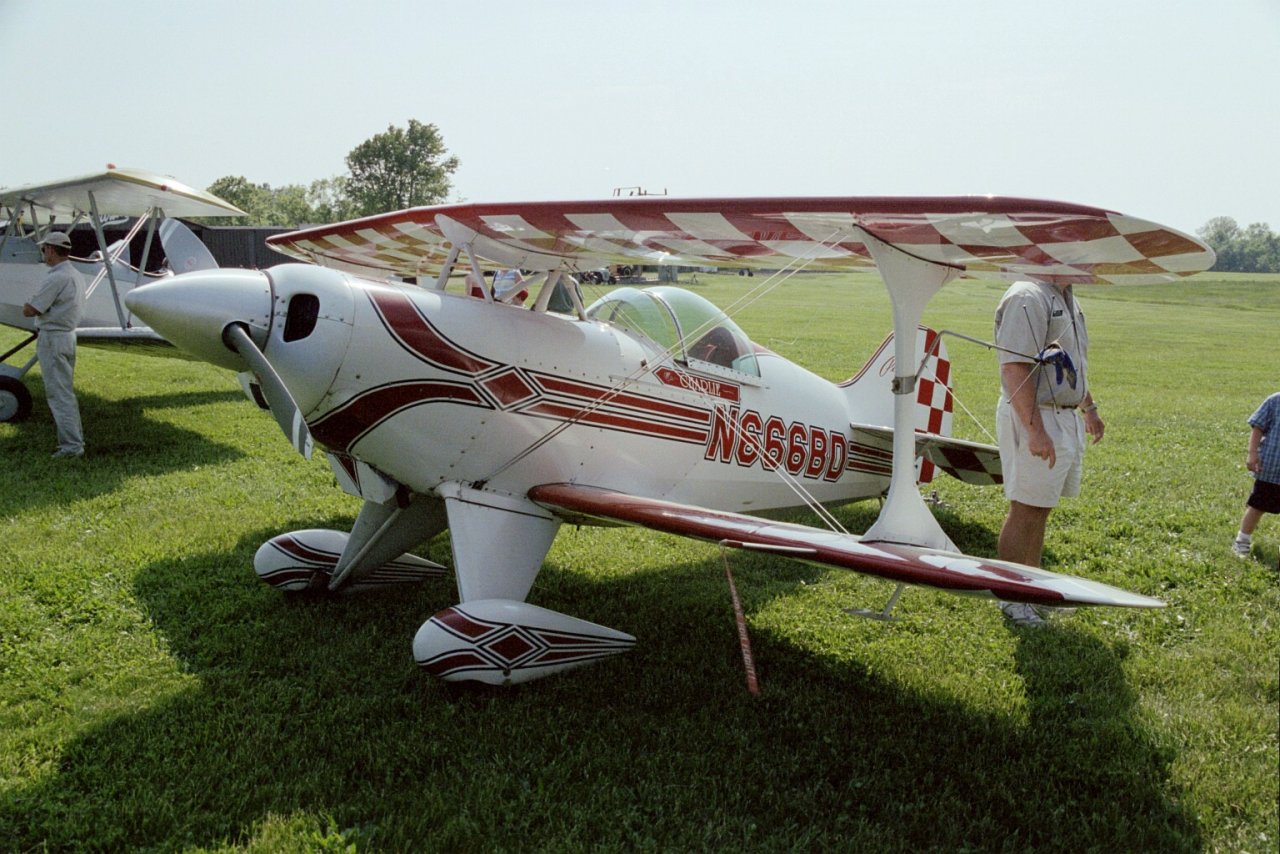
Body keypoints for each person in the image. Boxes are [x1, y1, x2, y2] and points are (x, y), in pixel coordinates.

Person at [992, 279, 1103, 626]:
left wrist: (1089, 408)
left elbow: (1066, 363)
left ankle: (1032, 588)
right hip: (1036, 413)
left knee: (1041, 508)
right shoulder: (1028, 296)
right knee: (1025, 507)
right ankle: (1011, 598)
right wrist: (1035, 430)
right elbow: (1014, 367)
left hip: (1062, 415)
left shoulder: (1068, 295)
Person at [22, 231, 86, 458]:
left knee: (59, 395)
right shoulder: (75, 274)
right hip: (68, 336)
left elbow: (32, 309)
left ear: (50, 250)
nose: (43, 254)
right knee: (65, 392)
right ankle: (74, 442)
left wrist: (27, 305)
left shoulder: (56, 277)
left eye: (43, 249)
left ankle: (71, 447)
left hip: (53, 338)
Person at [1232, 392, 1280, 559]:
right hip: (1271, 470)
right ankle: (1242, 541)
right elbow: (1257, 426)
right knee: (1258, 505)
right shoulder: (1275, 401)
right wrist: (1252, 453)